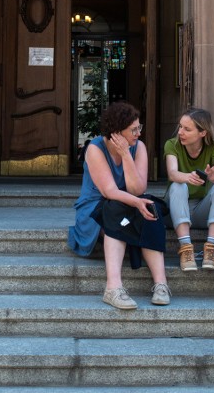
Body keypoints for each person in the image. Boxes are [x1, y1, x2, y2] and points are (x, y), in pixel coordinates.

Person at [67, 101, 170, 310]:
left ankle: (161, 284)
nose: (138, 133)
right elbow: (109, 192)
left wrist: (126, 156)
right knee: (116, 209)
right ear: (116, 132)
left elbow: (137, 190)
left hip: (127, 204)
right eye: (133, 130)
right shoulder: (95, 148)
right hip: (95, 208)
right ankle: (113, 288)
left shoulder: (138, 147)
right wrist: (137, 202)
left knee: (150, 208)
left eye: (139, 128)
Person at [164, 108, 214, 271]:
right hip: (175, 212)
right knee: (178, 185)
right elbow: (172, 173)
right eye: (180, 127)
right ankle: (186, 249)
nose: (180, 132)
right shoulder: (172, 145)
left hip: (201, 211)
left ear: (202, 133)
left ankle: (211, 249)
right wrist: (187, 177)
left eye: (187, 129)